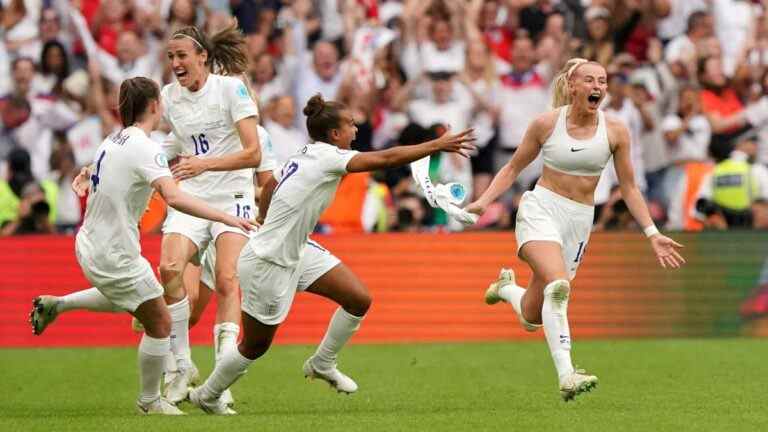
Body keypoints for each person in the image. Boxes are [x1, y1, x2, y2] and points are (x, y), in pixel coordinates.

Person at [187, 94, 475, 415]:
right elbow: (384, 159)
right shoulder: (328, 157)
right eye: (350, 124)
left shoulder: (305, 153)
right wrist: (436, 145)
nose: (356, 129)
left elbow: (270, 186)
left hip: (298, 250)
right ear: (335, 134)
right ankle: (207, 394)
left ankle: (323, 362)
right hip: (269, 262)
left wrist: (266, 218)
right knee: (254, 346)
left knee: (358, 299)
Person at [27, 77, 256, 415]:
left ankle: (59, 305)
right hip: (114, 254)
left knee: (137, 298)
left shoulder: (113, 140)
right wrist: (227, 217)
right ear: (154, 106)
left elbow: (120, 175)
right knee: (160, 322)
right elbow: (175, 196)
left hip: (90, 244)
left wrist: (89, 172)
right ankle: (151, 399)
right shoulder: (144, 147)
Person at [464, 58, 686, 402]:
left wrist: (652, 233)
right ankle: (567, 374)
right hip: (540, 209)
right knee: (558, 285)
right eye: (589, 80)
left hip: (580, 220)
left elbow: (629, 187)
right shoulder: (546, 124)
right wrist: (483, 201)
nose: (597, 86)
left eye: (603, 81)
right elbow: (512, 168)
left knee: (532, 316)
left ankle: (507, 289)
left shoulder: (615, 130)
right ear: (572, 86)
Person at [157, 22, 264, 404]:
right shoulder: (169, 97)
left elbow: (254, 153)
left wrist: (205, 164)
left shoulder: (231, 88)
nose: (175, 63)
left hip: (232, 193)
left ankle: (220, 377)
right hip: (193, 196)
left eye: (182, 55)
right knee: (169, 268)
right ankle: (182, 364)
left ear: (202, 56)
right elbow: (175, 141)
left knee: (227, 278)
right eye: (171, 57)